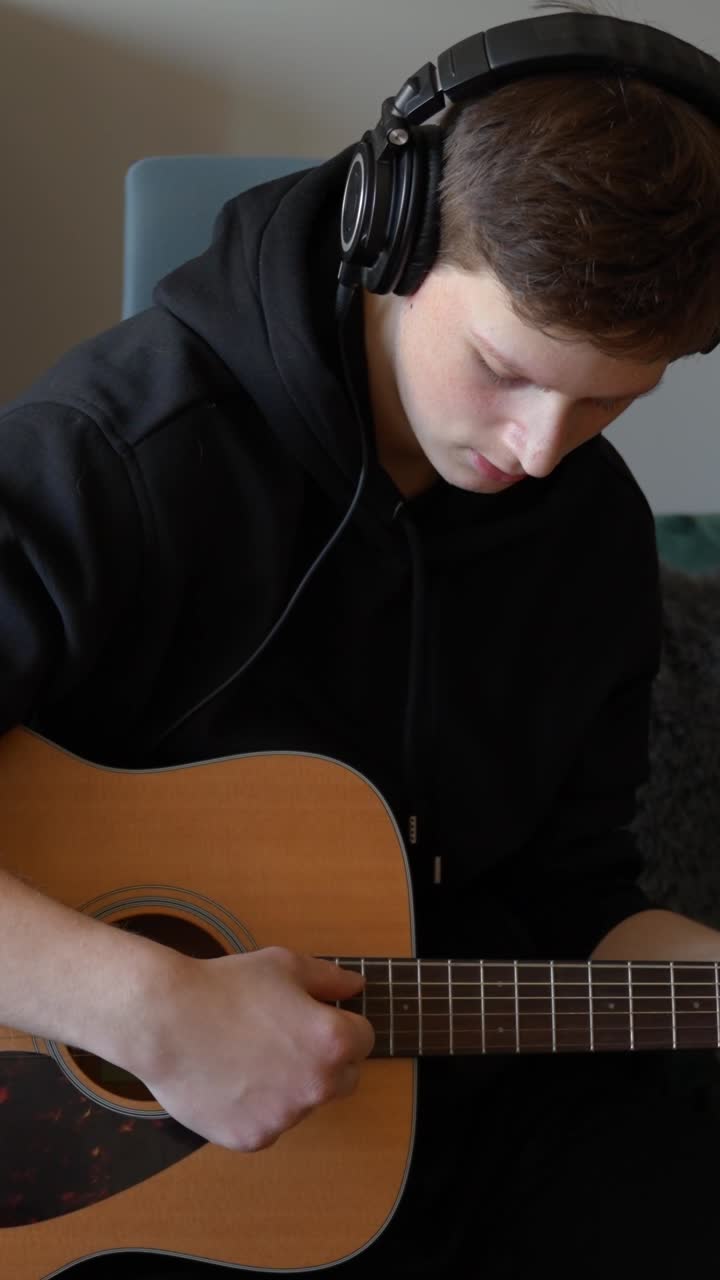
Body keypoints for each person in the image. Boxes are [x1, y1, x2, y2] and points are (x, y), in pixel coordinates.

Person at [2, 0, 720, 1275]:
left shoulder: (588, 531)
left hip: (466, 1119)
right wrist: (148, 1006)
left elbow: (576, 899)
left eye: (610, 397)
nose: (539, 449)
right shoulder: (114, 457)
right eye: (504, 367)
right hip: (124, 1175)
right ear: (389, 240)